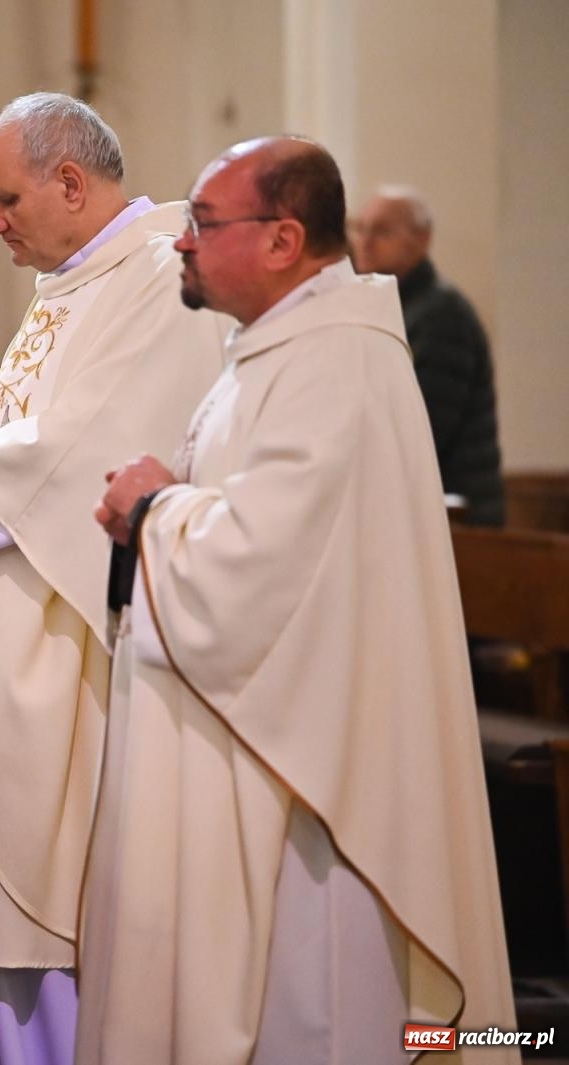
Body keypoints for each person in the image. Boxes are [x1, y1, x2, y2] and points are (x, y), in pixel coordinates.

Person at [90, 137, 515, 1064]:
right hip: (280, 734)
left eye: (203, 224)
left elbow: (259, 566)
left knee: (320, 1006)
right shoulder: (280, 350)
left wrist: (152, 507)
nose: (183, 245)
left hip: (318, 772)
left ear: (283, 241)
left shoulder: (332, 362)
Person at [0, 93, 225, 1063]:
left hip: (73, 657)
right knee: (11, 927)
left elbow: (87, 459)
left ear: (69, 183)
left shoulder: (157, 279)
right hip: (9, 651)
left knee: (61, 913)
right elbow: (22, 447)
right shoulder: (71, 286)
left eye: (3, 200)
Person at [353, 186, 505, 524]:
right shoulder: (396, 309)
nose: (364, 240)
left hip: (460, 520)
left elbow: (422, 429)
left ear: (421, 240)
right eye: (361, 228)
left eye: (381, 230)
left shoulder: (441, 315)